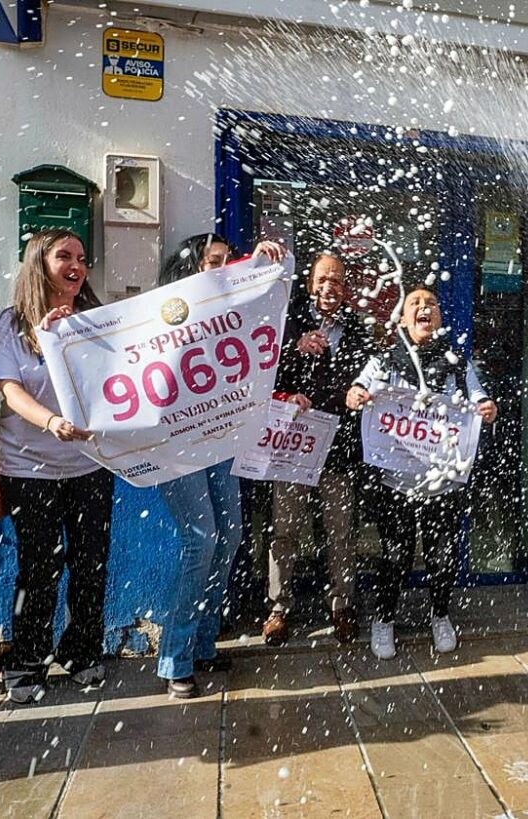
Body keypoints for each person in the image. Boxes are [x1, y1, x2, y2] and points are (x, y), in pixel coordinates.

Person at [0, 228, 113, 705]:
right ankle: (25, 660)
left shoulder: (94, 321)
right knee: (38, 568)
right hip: (29, 468)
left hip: (89, 466)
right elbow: (10, 390)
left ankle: (81, 651)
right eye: (64, 256)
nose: (76, 265)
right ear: (39, 262)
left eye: (82, 257)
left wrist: (74, 339)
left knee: (91, 563)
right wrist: (51, 420)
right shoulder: (10, 325)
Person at [154, 233, 282, 698]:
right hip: (177, 444)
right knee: (201, 539)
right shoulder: (162, 313)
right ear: (191, 268)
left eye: (229, 261)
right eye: (215, 262)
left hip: (218, 440)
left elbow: (264, 305)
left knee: (228, 537)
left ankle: (204, 640)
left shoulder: (227, 312)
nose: (224, 269)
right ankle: (175, 658)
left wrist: (263, 265)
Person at [346, 287, 497, 660]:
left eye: (431, 303)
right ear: (401, 319)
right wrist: (356, 396)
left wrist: (486, 409)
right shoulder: (384, 360)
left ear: (440, 318)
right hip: (395, 482)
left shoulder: (457, 364)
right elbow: (357, 389)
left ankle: (440, 615)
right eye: (415, 303)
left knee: (442, 556)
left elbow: (479, 400)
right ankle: (384, 620)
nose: (424, 307)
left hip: (441, 482)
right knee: (394, 556)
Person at [263, 252, 375, 648]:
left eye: (338, 281)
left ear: (346, 289)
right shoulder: (287, 320)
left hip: (338, 448)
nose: (330, 287)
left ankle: (342, 605)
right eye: (323, 279)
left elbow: (361, 381)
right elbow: (263, 370)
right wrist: (295, 348)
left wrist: (350, 395)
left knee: (341, 532)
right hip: (293, 445)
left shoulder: (359, 332)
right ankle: (279, 607)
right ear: (311, 283)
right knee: (285, 530)